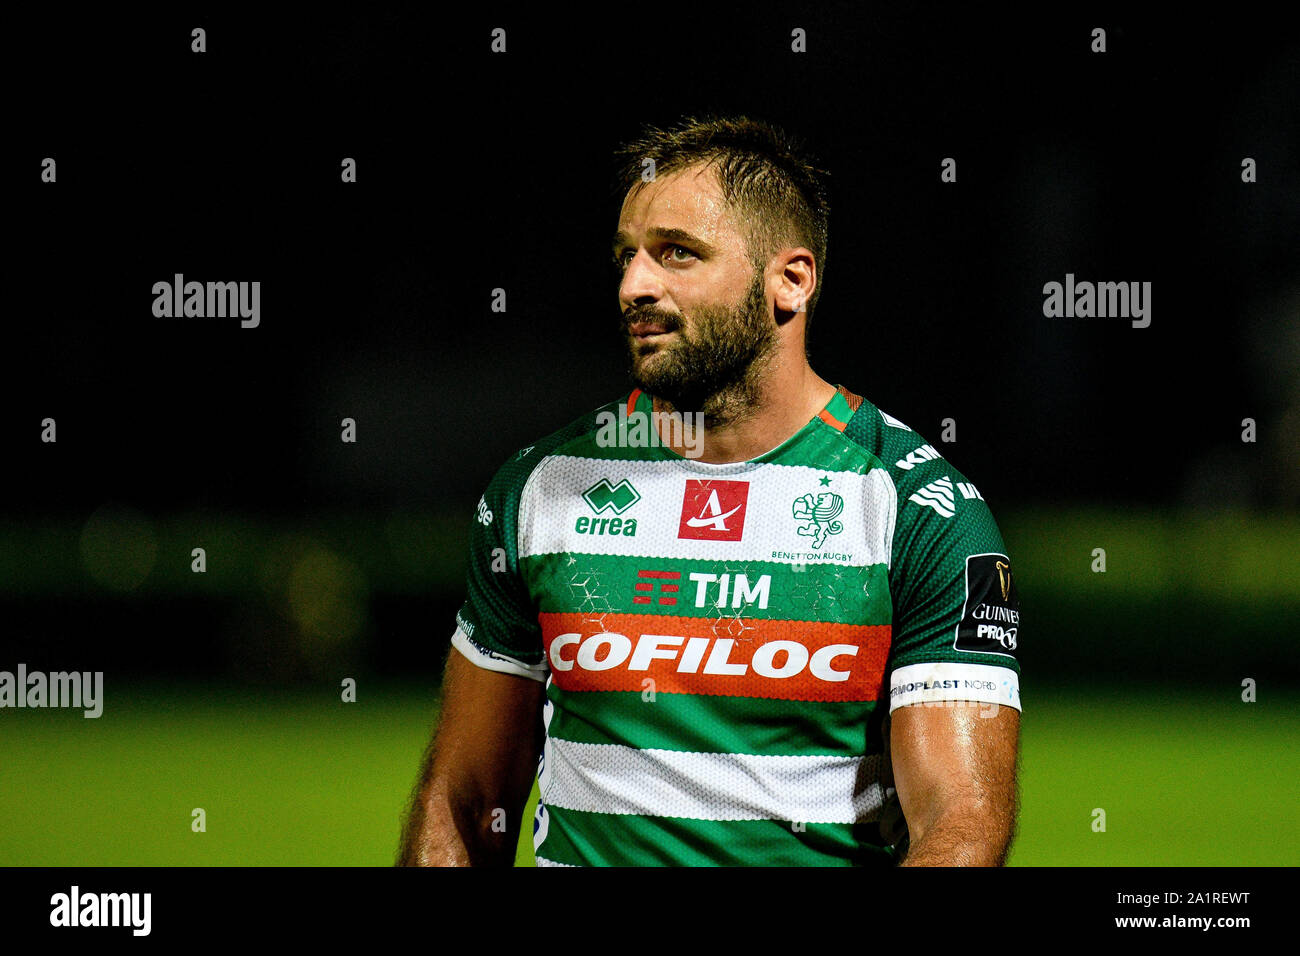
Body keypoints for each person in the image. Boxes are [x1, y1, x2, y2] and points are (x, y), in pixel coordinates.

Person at [398, 115, 1021, 867]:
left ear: (790, 281)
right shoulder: (542, 488)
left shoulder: (918, 512)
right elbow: (462, 801)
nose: (634, 285)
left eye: (677, 255)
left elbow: (962, 825)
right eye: (627, 255)